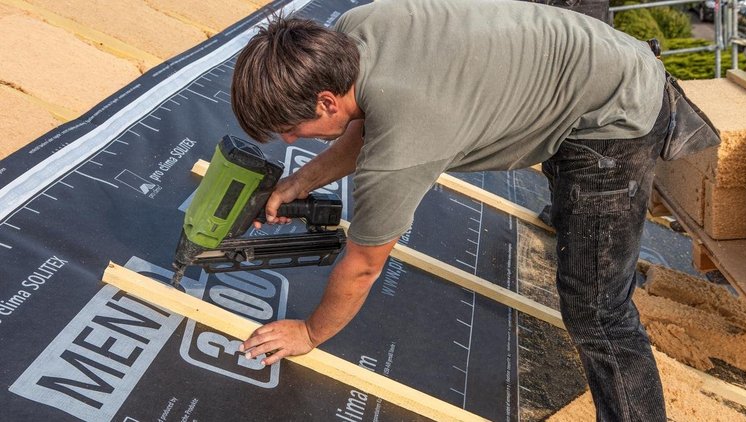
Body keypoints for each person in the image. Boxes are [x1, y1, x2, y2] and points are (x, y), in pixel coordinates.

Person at [231, 0, 676, 419]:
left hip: (618, 111)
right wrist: (299, 182)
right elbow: (366, 120)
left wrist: (310, 333)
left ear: (327, 101)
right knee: (576, 215)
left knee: (596, 307)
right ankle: (575, 217)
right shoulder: (355, 29)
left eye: (292, 128)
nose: (291, 141)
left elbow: (363, 266)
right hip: (580, 55)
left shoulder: (403, 142)